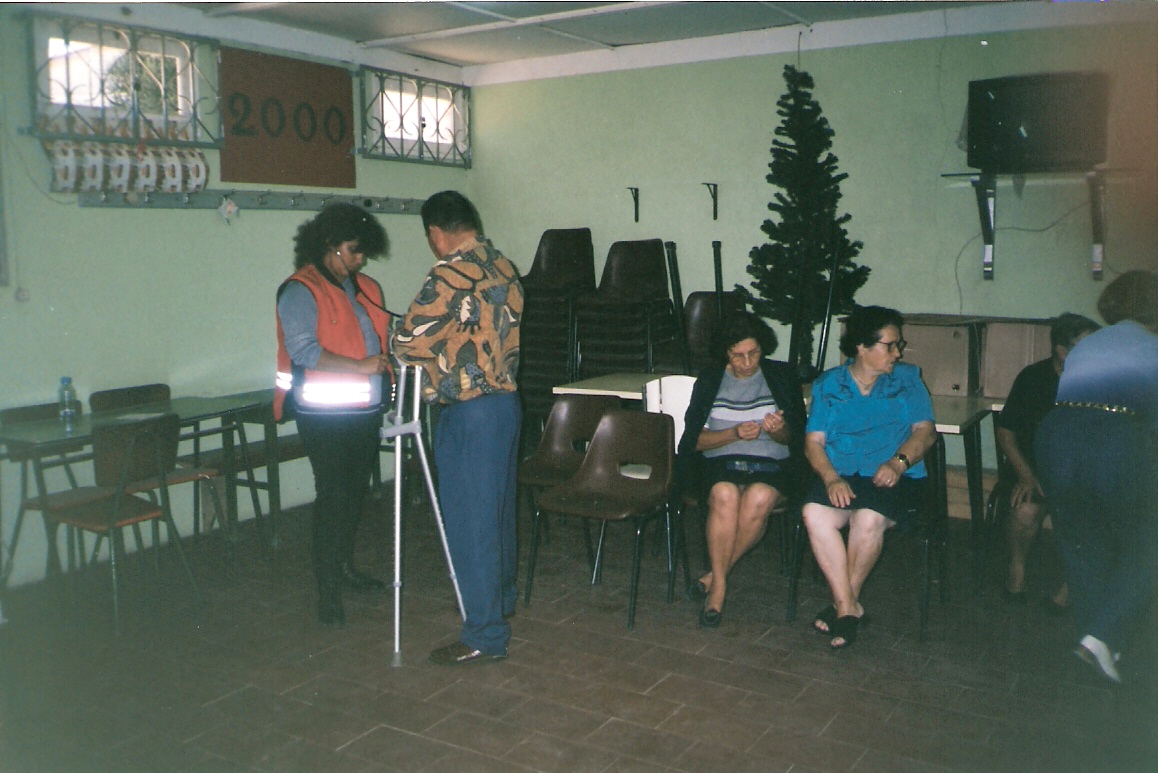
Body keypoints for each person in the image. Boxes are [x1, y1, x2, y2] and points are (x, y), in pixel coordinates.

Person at [392, 190, 523, 666]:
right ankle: (497, 602)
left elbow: (407, 343)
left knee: (470, 525)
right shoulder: (505, 266)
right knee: (498, 517)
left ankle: (485, 633)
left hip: (469, 413)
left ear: (435, 233)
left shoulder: (447, 274)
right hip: (506, 405)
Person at [1035, 270, 1158, 684]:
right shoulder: (1153, 346)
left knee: (1083, 547)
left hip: (1057, 436)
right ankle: (1102, 638)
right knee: (1148, 545)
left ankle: (1098, 645)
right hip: (1115, 440)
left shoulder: (1089, 344)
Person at [274, 203, 393, 628]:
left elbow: (380, 337)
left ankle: (343, 568)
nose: (360, 260)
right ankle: (327, 590)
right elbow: (304, 350)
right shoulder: (299, 291)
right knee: (333, 496)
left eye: (364, 252)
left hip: (364, 411)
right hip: (323, 415)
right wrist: (360, 367)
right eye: (354, 250)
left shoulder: (366, 287)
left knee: (354, 494)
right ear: (329, 244)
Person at [802, 305, 938, 649]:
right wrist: (830, 479)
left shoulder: (907, 380)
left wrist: (898, 463)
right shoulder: (829, 384)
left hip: (893, 477)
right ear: (862, 347)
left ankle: (842, 606)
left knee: (867, 518)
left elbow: (926, 432)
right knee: (814, 513)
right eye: (890, 345)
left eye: (898, 345)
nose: (898, 353)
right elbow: (813, 442)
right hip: (842, 475)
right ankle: (849, 608)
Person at [679, 312, 806, 628]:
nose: (747, 362)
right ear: (725, 352)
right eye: (738, 355)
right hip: (720, 462)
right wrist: (733, 434)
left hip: (772, 463)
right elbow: (691, 441)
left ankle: (714, 577)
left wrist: (778, 431)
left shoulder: (781, 375)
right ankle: (719, 589)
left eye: (754, 353)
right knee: (724, 494)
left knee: (758, 497)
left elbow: (796, 438)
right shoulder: (710, 379)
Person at [995, 313, 1099, 609]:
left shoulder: (1101, 382)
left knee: (1092, 518)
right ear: (1062, 351)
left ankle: (1068, 588)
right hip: (1034, 468)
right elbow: (1005, 432)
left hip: (1080, 472)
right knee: (1024, 510)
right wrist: (1027, 475)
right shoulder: (1033, 378)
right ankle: (1017, 569)